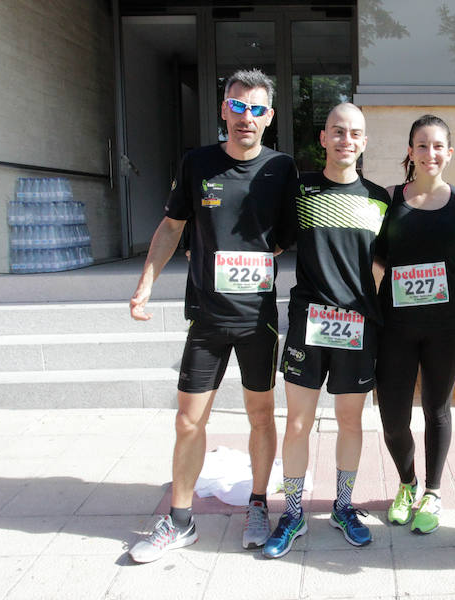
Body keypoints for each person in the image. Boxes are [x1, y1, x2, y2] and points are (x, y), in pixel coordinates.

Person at [128, 69, 299, 563]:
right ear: (224, 109)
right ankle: (180, 521)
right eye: (238, 106)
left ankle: (258, 505)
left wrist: (247, 260)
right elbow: (171, 227)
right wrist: (145, 284)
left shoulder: (281, 168)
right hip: (206, 317)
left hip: (258, 320)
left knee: (261, 416)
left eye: (257, 108)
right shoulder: (197, 163)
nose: (247, 116)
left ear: (269, 116)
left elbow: (287, 236)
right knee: (188, 421)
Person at [262, 103, 390, 558]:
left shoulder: (379, 198)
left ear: (364, 142)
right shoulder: (301, 191)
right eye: (337, 131)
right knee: (297, 422)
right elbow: (270, 239)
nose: (345, 140)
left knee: (350, 421)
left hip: (358, 325)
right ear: (323, 138)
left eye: (354, 133)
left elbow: (384, 264)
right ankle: (293, 512)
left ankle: (342, 506)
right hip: (308, 322)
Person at [374, 115, 455, 534]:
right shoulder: (389, 198)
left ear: (449, 153)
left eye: (438, 146)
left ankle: (433, 491)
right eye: (422, 145)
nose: (430, 153)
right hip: (395, 324)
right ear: (410, 151)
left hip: (446, 325)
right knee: (393, 417)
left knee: (437, 409)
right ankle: (407, 482)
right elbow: (377, 256)